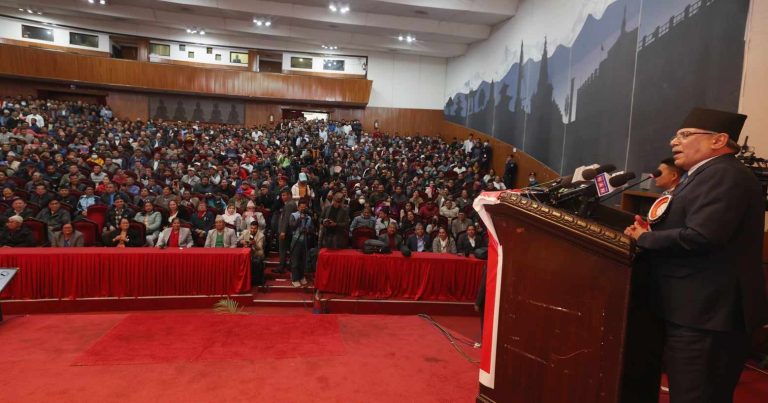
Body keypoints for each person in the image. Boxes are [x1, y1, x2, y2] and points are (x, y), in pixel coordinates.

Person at [624, 108, 768, 403]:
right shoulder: (702, 174)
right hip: (694, 310)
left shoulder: (724, 174)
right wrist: (652, 230)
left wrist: (646, 239)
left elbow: (703, 236)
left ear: (719, 140)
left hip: (708, 315)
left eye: (685, 135)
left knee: (697, 395)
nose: (673, 141)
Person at [288, 199, 314, 287]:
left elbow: (312, 229)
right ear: (298, 207)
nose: (303, 209)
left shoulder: (309, 217)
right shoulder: (293, 215)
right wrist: (299, 219)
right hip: (296, 240)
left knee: (303, 261)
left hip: (305, 241)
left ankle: (301, 276)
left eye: (304, 207)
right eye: (301, 207)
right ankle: (295, 279)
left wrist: (308, 230)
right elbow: (291, 226)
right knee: (295, 261)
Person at [239, 220, 266, 287]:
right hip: (246, 251)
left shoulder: (261, 235)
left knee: (258, 257)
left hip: (256, 252)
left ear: (257, 228)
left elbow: (260, 247)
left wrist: (254, 243)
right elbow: (238, 240)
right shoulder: (245, 232)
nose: (252, 230)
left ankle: (255, 280)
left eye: (254, 228)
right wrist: (241, 241)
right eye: (251, 228)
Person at [276, 190, 297, 273]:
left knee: (282, 250)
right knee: (285, 249)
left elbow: (286, 219)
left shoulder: (289, 204)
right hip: (288, 231)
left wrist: (283, 231)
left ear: (289, 195)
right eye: (282, 195)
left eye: (284, 195)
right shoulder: (290, 204)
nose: (282, 197)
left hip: (286, 231)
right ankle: (286, 266)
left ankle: (281, 267)